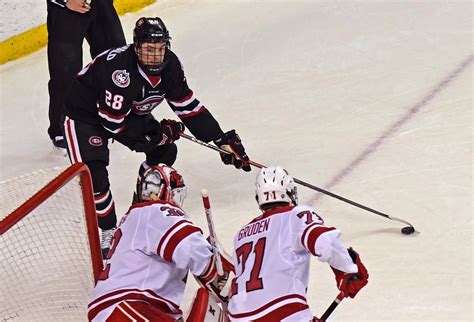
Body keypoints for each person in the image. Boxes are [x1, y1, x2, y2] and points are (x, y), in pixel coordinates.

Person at [63, 17, 251, 256]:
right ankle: (109, 232)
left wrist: (220, 139)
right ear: (136, 47)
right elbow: (112, 124)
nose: (155, 56)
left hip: (125, 112)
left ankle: (141, 205)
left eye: (160, 49)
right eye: (149, 49)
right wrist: (158, 134)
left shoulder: (171, 66)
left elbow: (187, 106)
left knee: (165, 151)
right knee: (94, 175)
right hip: (85, 116)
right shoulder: (120, 72)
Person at [227, 166, 369, 321]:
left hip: (237, 316)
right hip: (283, 312)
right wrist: (348, 270)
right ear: (289, 191)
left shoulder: (241, 235)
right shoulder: (293, 215)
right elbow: (325, 241)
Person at [88, 164, 226, 321]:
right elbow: (190, 248)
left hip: (119, 310)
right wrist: (223, 280)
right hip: (130, 307)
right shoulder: (156, 211)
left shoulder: (133, 219)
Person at [47, 0, 126, 149]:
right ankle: (61, 127)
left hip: (101, 5)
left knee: (115, 60)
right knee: (65, 74)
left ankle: (112, 114)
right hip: (65, 11)